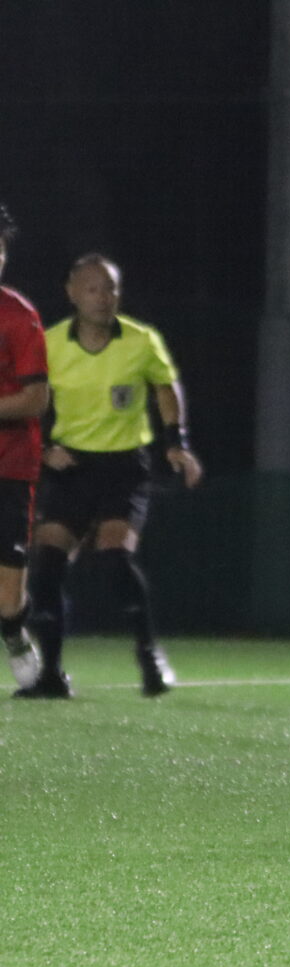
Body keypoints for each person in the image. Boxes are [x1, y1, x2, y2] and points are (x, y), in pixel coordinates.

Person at [22, 253, 202, 698]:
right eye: (93, 289)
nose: (103, 297)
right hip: (71, 468)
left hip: (123, 468)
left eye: (111, 289)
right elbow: (30, 400)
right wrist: (44, 449)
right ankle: (51, 675)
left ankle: (149, 656)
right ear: (72, 293)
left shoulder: (141, 340)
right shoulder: (49, 344)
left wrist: (175, 442)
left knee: (114, 556)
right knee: (47, 565)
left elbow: (165, 387)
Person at [0, 203, 49, 690]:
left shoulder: (17, 315)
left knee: (7, 595)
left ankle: (13, 629)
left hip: (9, 466)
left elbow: (36, 398)